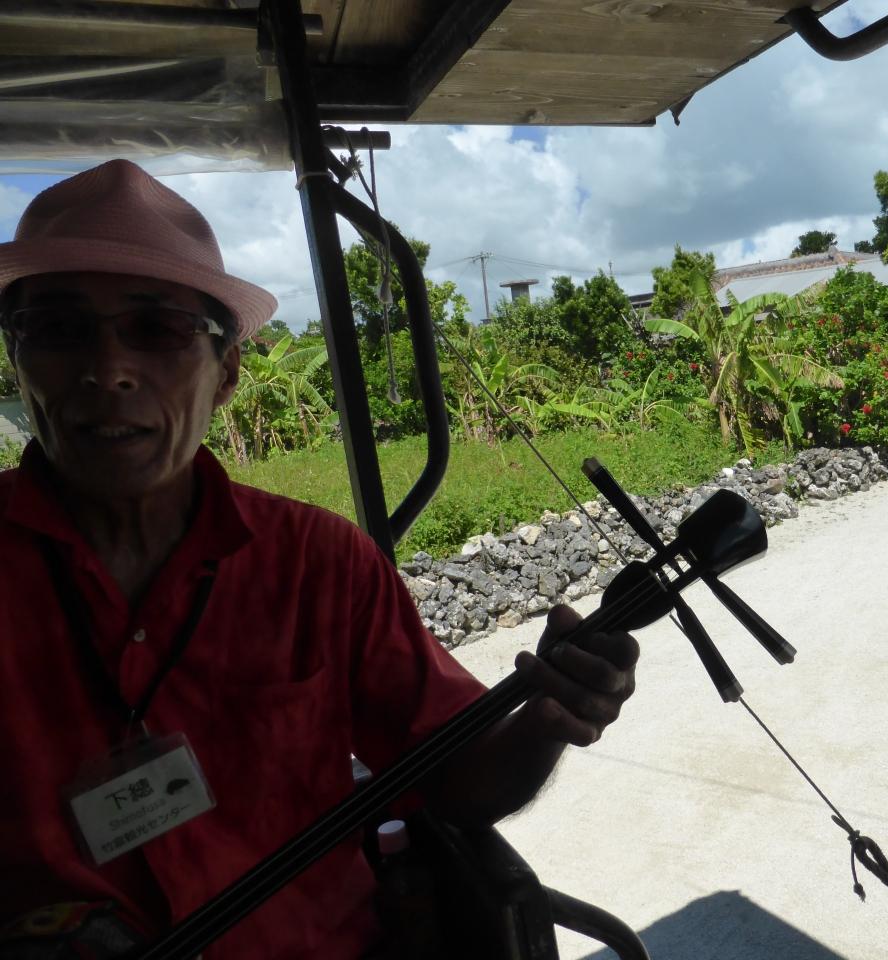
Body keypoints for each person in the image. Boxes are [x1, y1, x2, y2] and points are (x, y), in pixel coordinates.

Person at [0, 160, 639, 958]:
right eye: (57, 329)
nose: (107, 370)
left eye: (157, 329)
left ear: (226, 373)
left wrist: (546, 720)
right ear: (16, 357)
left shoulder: (321, 565)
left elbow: (453, 781)